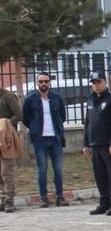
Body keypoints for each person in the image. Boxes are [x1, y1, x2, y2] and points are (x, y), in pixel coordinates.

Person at [22, 72, 67, 208]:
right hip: (39, 140)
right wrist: (34, 129)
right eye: (41, 81)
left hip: (55, 139)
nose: (43, 84)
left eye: (46, 81)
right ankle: (43, 198)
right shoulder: (30, 99)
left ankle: (60, 196)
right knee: (42, 169)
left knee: (58, 169)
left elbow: (62, 116)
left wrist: (58, 129)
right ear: (37, 83)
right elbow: (26, 118)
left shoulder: (57, 98)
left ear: (50, 82)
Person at [83, 71, 111, 216]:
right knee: (99, 175)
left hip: (107, 144)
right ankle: (104, 202)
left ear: (105, 82)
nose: (96, 85)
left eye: (98, 82)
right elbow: (87, 122)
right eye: (93, 83)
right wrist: (86, 143)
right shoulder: (91, 99)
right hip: (94, 143)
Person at [0, 84, 22, 213]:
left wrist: (5, 123)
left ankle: (9, 201)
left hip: (7, 138)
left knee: (7, 171)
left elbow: (18, 115)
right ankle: (2, 199)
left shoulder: (8, 96)